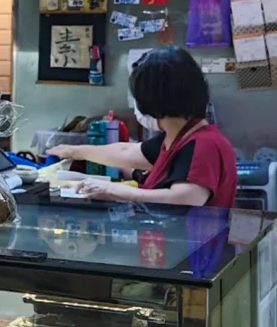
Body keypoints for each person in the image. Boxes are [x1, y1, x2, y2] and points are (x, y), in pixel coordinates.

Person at [47, 46, 237, 207]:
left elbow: (186, 198)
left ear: (151, 99)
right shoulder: (177, 138)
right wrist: (73, 151)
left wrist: (116, 191)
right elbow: (125, 152)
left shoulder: (203, 145)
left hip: (196, 250)